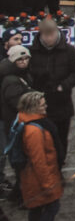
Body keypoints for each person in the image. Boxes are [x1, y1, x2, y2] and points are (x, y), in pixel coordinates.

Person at [16, 91, 65, 221]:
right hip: (39, 178)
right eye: (42, 105)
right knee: (52, 207)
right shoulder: (34, 131)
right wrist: (48, 184)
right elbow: (39, 161)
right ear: (33, 108)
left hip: (33, 177)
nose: (46, 106)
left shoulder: (27, 123)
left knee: (36, 208)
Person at [28, 17, 75, 155]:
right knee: (42, 138)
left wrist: (64, 85)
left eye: (51, 35)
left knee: (60, 138)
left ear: (57, 32)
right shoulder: (33, 52)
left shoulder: (69, 51)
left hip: (61, 102)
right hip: (40, 103)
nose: (49, 39)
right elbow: (28, 74)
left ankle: (60, 162)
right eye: (45, 35)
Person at [0, 44, 32, 193]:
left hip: (18, 122)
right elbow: (18, 103)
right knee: (19, 158)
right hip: (15, 124)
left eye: (26, 58)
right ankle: (21, 192)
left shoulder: (21, 74)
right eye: (20, 59)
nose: (24, 62)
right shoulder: (11, 80)